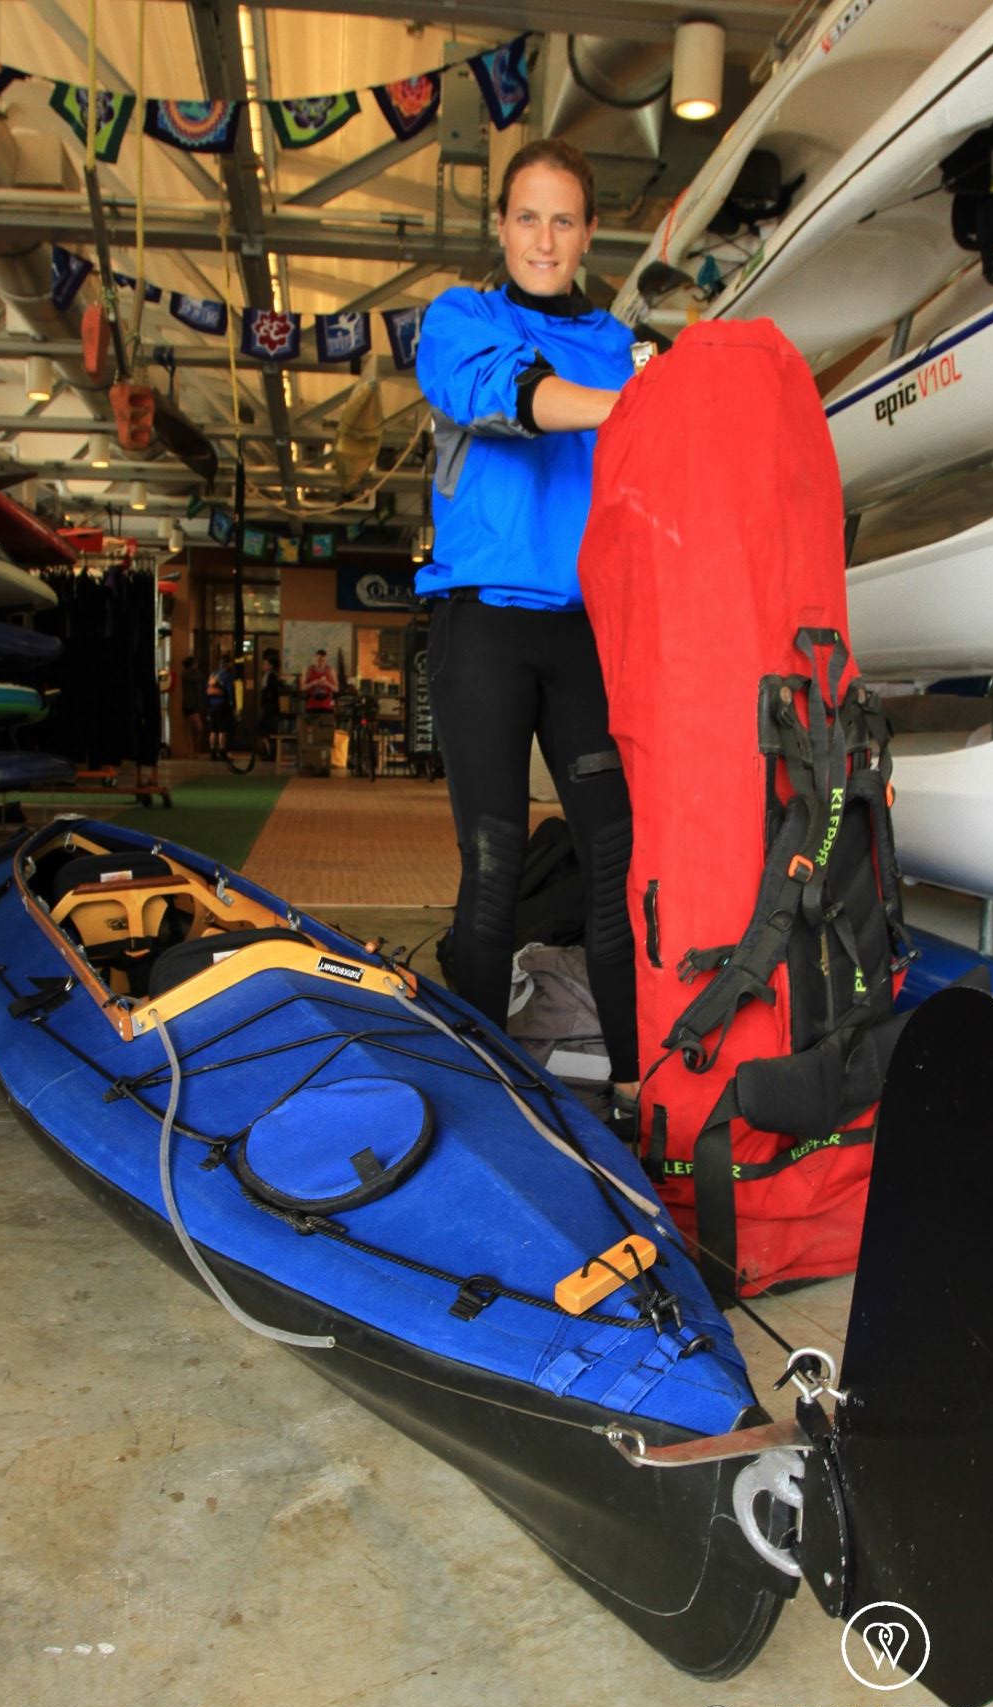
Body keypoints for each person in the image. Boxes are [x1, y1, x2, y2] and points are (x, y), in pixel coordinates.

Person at [415, 137, 640, 1115]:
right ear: (501, 228)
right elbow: (509, 395)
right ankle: (484, 1099)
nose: (544, 239)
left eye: (563, 220)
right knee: (495, 862)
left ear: (588, 235)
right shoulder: (460, 320)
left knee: (616, 863)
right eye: (527, 218)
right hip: (483, 630)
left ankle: (635, 1088)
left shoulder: (623, 345)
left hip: (585, 635)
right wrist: (636, 409)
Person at [205, 648, 235, 760]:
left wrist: (207, 704)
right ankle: (222, 752)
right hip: (222, 705)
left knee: (213, 730)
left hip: (212, 705)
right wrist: (233, 705)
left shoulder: (213, 675)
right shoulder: (227, 675)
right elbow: (230, 691)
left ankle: (212, 752)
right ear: (227, 664)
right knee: (223, 729)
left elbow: (207, 691)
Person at [257, 647, 282, 760]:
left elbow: (269, 692)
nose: (263, 665)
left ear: (271, 665)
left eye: (265, 664)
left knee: (265, 730)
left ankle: (269, 752)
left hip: (269, 707)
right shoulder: (271, 675)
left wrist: (264, 702)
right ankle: (268, 751)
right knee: (265, 730)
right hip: (269, 707)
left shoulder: (270, 676)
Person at [301, 648, 339, 714]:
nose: (320, 663)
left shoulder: (331, 671)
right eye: (318, 660)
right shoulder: (308, 670)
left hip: (327, 705)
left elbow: (336, 689)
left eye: (323, 661)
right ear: (315, 659)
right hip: (312, 704)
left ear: (325, 660)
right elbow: (302, 688)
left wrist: (327, 684)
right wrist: (314, 683)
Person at [180, 654, 204, 755]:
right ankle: (193, 750)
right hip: (189, 705)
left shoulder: (189, 674)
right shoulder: (186, 674)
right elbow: (200, 678)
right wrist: (195, 671)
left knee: (193, 729)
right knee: (197, 728)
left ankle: (193, 750)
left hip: (193, 704)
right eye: (195, 664)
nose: (197, 665)